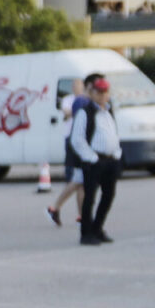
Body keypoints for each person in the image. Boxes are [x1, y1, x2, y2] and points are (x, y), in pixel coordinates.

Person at [69, 76, 123, 246]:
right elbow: (77, 139)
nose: (102, 96)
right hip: (93, 160)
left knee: (108, 195)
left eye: (105, 92)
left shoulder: (108, 112)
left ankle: (97, 228)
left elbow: (113, 133)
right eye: (98, 92)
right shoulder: (85, 112)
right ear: (91, 93)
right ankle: (86, 233)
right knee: (89, 197)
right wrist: (91, 158)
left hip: (110, 159)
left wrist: (116, 153)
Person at [49, 77, 88, 228]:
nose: (75, 88)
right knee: (78, 179)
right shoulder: (73, 100)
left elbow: (71, 114)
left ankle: (81, 215)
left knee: (80, 181)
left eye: (78, 85)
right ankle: (56, 207)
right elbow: (68, 112)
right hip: (73, 140)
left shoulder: (84, 100)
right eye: (74, 86)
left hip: (82, 141)